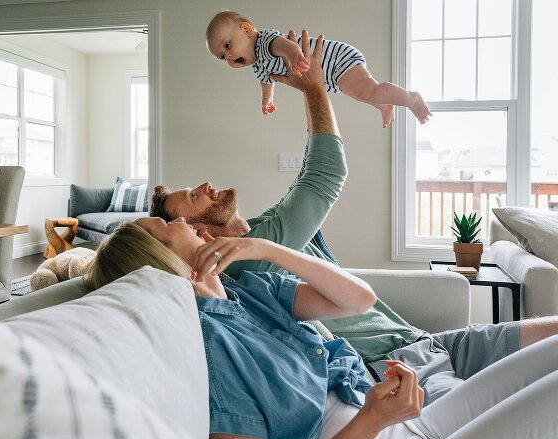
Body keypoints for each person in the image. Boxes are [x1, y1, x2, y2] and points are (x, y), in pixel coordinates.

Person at [150, 29, 558, 405]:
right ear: (199, 230)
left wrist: (304, 92)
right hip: (397, 366)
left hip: (428, 341)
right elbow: (325, 177)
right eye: (190, 199)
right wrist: (312, 92)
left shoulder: (260, 229)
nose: (204, 185)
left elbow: (306, 179)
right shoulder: (253, 259)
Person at [86, 218, 558, 439]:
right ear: (167, 262)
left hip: (412, 431)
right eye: (172, 227)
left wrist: (266, 250)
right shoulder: (210, 348)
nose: (190, 224)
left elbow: (358, 299)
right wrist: (373, 418)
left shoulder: (252, 294)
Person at [205, 10, 431, 127]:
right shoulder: (259, 66)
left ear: (246, 29)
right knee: (359, 93)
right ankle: (384, 106)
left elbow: (282, 44)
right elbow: (267, 81)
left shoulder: (263, 40)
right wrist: (267, 99)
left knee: (367, 90)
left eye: (227, 45)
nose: (230, 56)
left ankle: (411, 99)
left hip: (335, 59)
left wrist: (294, 53)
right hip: (330, 75)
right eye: (222, 56)